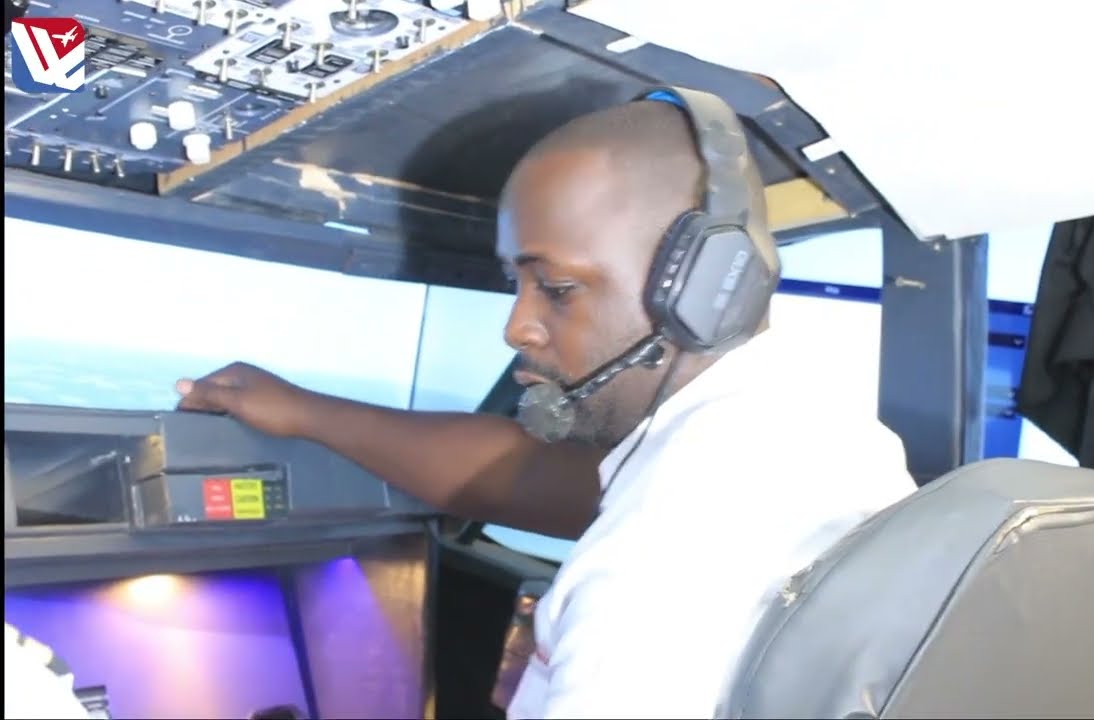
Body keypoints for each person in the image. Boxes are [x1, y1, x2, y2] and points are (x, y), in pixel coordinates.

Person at [176, 88, 915, 718]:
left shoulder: (656, 566)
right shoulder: (803, 436)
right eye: (516, 285)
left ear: (705, 282)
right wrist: (306, 412)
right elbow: (529, 478)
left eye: (556, 289)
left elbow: (648, 566)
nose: (517, 326)